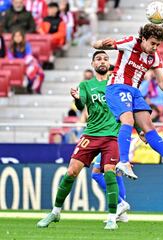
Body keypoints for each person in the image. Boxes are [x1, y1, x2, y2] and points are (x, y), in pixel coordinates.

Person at [93, 23, 163, 180]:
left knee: (148, 126)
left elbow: (161, 81)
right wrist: (99, 44)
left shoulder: (155, 57)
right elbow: (100, 45)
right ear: (143, 38)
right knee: (128, 120)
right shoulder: (131, 42)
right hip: (117, 87)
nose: (155, 47)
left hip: (135, 92)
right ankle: (124, 162)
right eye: (152, 43)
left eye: (158, 44)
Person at [36, 51, 121, 230]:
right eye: (99, 59)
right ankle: (55, 212)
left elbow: (126, 107)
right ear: (93, 64)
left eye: (105, 59)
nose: (103, 61)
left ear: (109, 63)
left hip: (111, 136)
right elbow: (81, 104)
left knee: (110, 172)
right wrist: (76, 99)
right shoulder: (85, 85)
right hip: (90, 135)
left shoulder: (115, 84)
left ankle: (112, 217)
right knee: (71, 172)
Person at [7, 30, 44, 94]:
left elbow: (28, 55)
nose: (17, 38)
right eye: (15, 36)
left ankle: (33, 87)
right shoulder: (10, 46)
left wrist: (23, 63)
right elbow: (10, 58)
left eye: (19, 36)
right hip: (16, 65)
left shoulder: (27, 44)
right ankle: (27, 86)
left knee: (39, 72)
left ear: (22, 37)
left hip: (27, 63)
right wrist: (19, 63)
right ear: (13, 38)